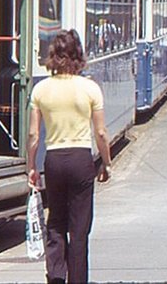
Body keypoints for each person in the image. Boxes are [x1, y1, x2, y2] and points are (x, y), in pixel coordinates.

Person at [27, 30, 112, 284]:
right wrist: (106, 163)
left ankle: (55, 275)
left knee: (56, 221)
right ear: (78, 56)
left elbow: (33, 135)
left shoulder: (41, 90)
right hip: (80, 159)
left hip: (53, 160)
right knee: (79, 228)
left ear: (53, 56)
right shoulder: (90, 88)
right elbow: (101, 132)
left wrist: (31, 167)